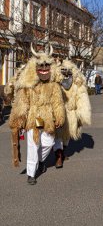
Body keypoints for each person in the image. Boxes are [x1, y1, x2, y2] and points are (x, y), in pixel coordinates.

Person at [9, 44, 65, 185]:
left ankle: (40, 161)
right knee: (33, 146)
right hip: (33, 118)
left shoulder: (54, 84)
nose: (44, 68)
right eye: (41, 65)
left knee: (48, 143)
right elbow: (22, 103)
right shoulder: (27, 84)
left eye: (47, 65)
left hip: (47, 118)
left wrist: (59, 116)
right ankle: (31, 173)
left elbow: (57, 102)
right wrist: (19, 120)